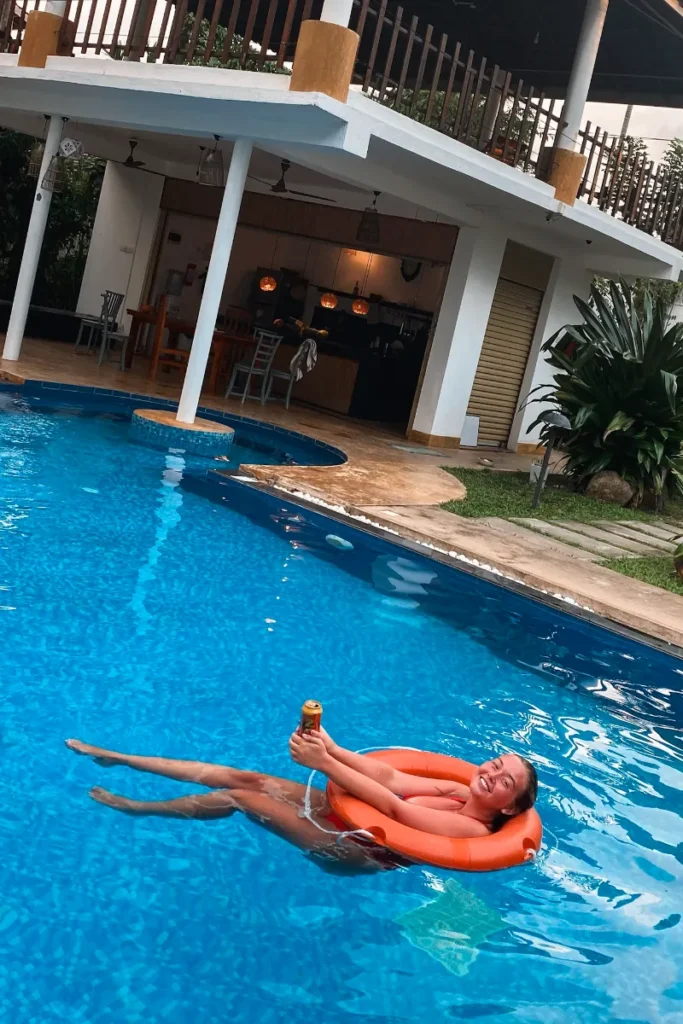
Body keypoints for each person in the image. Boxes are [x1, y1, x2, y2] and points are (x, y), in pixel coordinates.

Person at [65, 729, 538, 874]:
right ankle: (120, 757)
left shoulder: (474, 830)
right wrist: (330, 747)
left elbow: (397, 811)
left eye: (504, 781)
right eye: (496, 764)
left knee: (238, 797)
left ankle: (136, 808)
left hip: (356, 849)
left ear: (510, 808)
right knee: (245, 775)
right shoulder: (458, 789)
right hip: (353, 816)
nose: (492, 772)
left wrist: (327, 766)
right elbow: (390, 777)